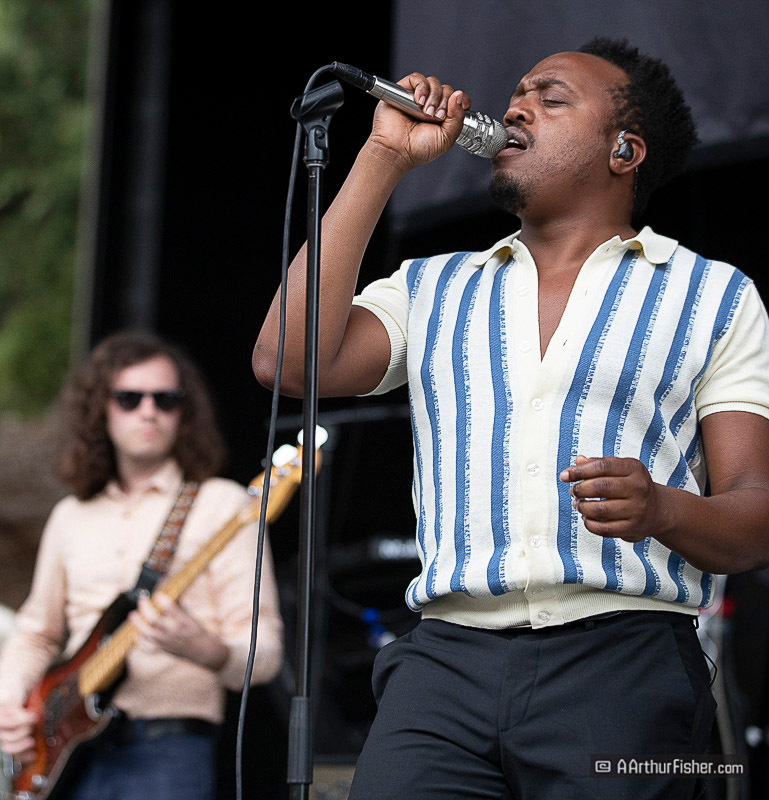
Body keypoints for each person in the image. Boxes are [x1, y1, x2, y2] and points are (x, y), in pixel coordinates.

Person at [253, 37, 769, 799]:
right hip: (443, 662)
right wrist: (383, 158)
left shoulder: (712, 294)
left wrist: (661, 508)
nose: (516, 108)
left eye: (550, 98)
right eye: (517, 94)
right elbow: (286, 363)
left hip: (622, 662)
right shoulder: (432, 286)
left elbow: (753, 518)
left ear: (624, 150)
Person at [0, 330, 283, 800]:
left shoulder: (224, 505)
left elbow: (265, 652)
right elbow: (37, 632)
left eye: (166, 399)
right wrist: (10, 701)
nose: (148, 411)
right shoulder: (71, 515)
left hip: (169, 749)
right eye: (129, 398)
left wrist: (204, 649)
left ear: (184, 412)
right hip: (68, 753)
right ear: (101, 409)